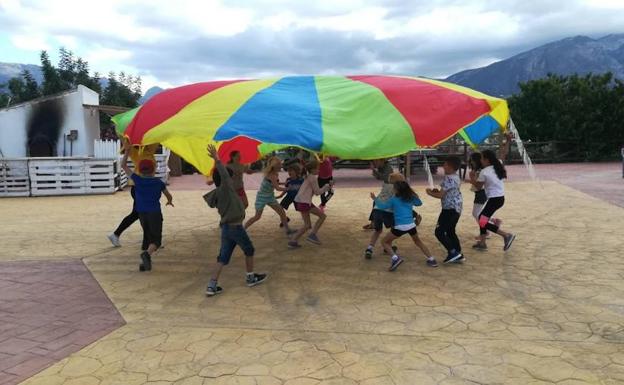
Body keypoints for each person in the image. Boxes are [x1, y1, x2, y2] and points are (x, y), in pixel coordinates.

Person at [204, 145, 267, 296]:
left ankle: (212, 285)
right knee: (249, 250)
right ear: (226, 179)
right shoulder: (227, 188)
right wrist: (217, 159)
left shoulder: (218, 193)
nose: (232, 178)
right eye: (230, 177)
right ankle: (250, 277)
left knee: (223, 257)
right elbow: (225, 177)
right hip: (236, 228)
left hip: (226, 229)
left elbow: (223, 178)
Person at [120, 143, 173, 272]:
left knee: (148, 237)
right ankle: (146, 255)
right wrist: (169, 201)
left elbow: (123, 165)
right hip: (154, 213)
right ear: (153, 168)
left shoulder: (137, 180)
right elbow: (168, 195)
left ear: (139, 169)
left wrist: (127, 151)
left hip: (142, 214)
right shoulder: (158, 183)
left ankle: (145, 263)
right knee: (156, 241)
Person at [373, 181, 437, 271]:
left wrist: (375, 198)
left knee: (384, 242)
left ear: (397, 190)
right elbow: (419, 203)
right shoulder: (410, 197)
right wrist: (414, 195)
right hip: (411, 225)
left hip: (400, 227)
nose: (393, 189)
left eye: (394, 188)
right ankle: (431, 259)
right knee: (418, 242)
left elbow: (382, 206)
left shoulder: (393, 199)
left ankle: (395, 258)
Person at [108, 143, 158, 247]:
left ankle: (116, 234)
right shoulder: (136, 152)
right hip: (139, 187)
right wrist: (126, 149)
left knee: (139, 214)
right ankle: (151, 240)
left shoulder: (149, 149)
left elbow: (157, 138)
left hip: (145, 188)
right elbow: (124, 161)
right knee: (143, 213)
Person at [469, 149, 516, 251]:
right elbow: (504, 153)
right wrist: (507, 140)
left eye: (482, 158)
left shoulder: (484, 172)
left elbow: (478, 187)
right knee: (483, 219)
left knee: (482, 220)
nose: (480, 160)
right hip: (500, 198)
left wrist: (472, 179)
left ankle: (506, 235)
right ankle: (482, 243)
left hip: (494, 200)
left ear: (487, 160)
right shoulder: (497, 164)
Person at [426, 157, 464, 264]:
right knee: (451, 231)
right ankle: (458, 252)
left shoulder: (449, 179)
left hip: (449, 210)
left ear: (451, 167)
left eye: (445, 164)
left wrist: (429, 193)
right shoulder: (455, 177)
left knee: (439, 232)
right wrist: (436, 191)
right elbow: (444, 192)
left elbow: (440, 195)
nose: (443, 166)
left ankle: (453, 252)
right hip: (456, 208)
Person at [244, 156, 295, 234]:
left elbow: (275, 183)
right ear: (274, 167)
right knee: (257, 217)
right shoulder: (272, 175)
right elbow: (277, 188)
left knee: (282, 212)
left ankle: (288, 230)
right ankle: (243, 229)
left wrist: (284, 183)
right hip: (261, 197)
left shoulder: (275, 174)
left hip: (270, 196)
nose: (281, 166)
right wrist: (288, 188)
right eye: (279, 165)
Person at [288, 160, 332, 248]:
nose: (319, 170)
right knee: (322, 217)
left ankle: (293, 241)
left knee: (307, 225)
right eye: (317, 169)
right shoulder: (312, 178)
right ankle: (312, 235)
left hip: (302, 201)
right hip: (304, 202)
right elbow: (317, 192)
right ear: (312, 170)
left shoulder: (308, 176)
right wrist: (327, 187)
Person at [364, 171, 404, 259]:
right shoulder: (397, 189)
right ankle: (387, 246)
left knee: (377, 231)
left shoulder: (385, 186)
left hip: (377, 210)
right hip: (388, 212)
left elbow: (378, 199)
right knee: (394, 230)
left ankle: (369, 248)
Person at [363, 159, 394, 230]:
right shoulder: (381, 166)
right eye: (373, 162)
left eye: (375, 161)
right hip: (387, 187)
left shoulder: (387, 167)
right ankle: (373, 223)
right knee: (377, 202)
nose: (374, 163)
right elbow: (379, 177)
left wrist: (374, 170)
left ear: (381, 160)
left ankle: (373, 224)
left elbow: (384, 177)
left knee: (394, 204)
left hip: (390, 188)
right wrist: (374, 171)